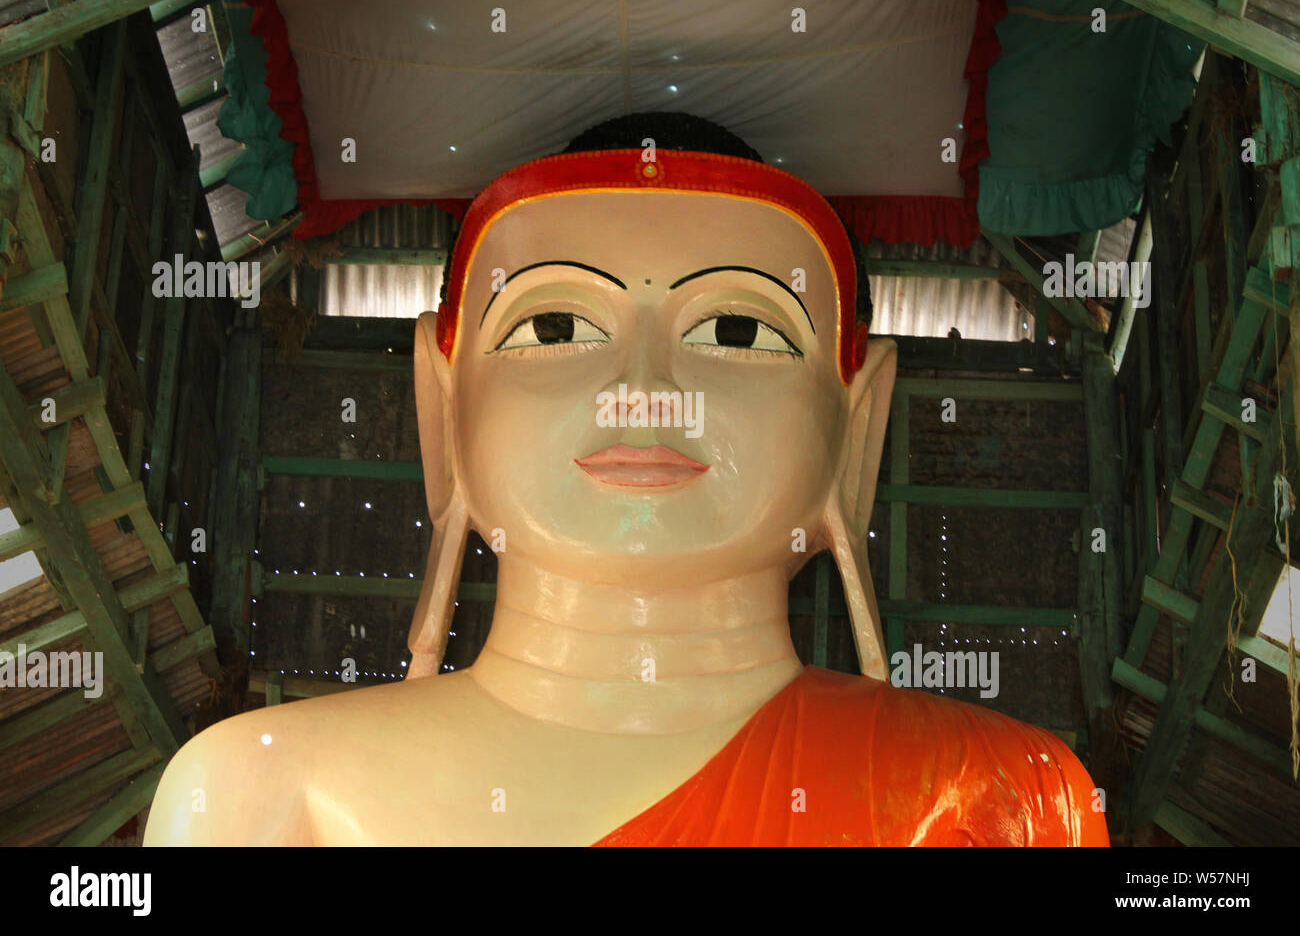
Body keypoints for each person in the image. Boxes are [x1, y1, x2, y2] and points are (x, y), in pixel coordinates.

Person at [144, 113, 1107, 846]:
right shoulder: (261, 796)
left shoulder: (998, 797)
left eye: (739, 330)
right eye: (554, 327)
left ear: (857, 426)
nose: (646, 390)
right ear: (443, 408)